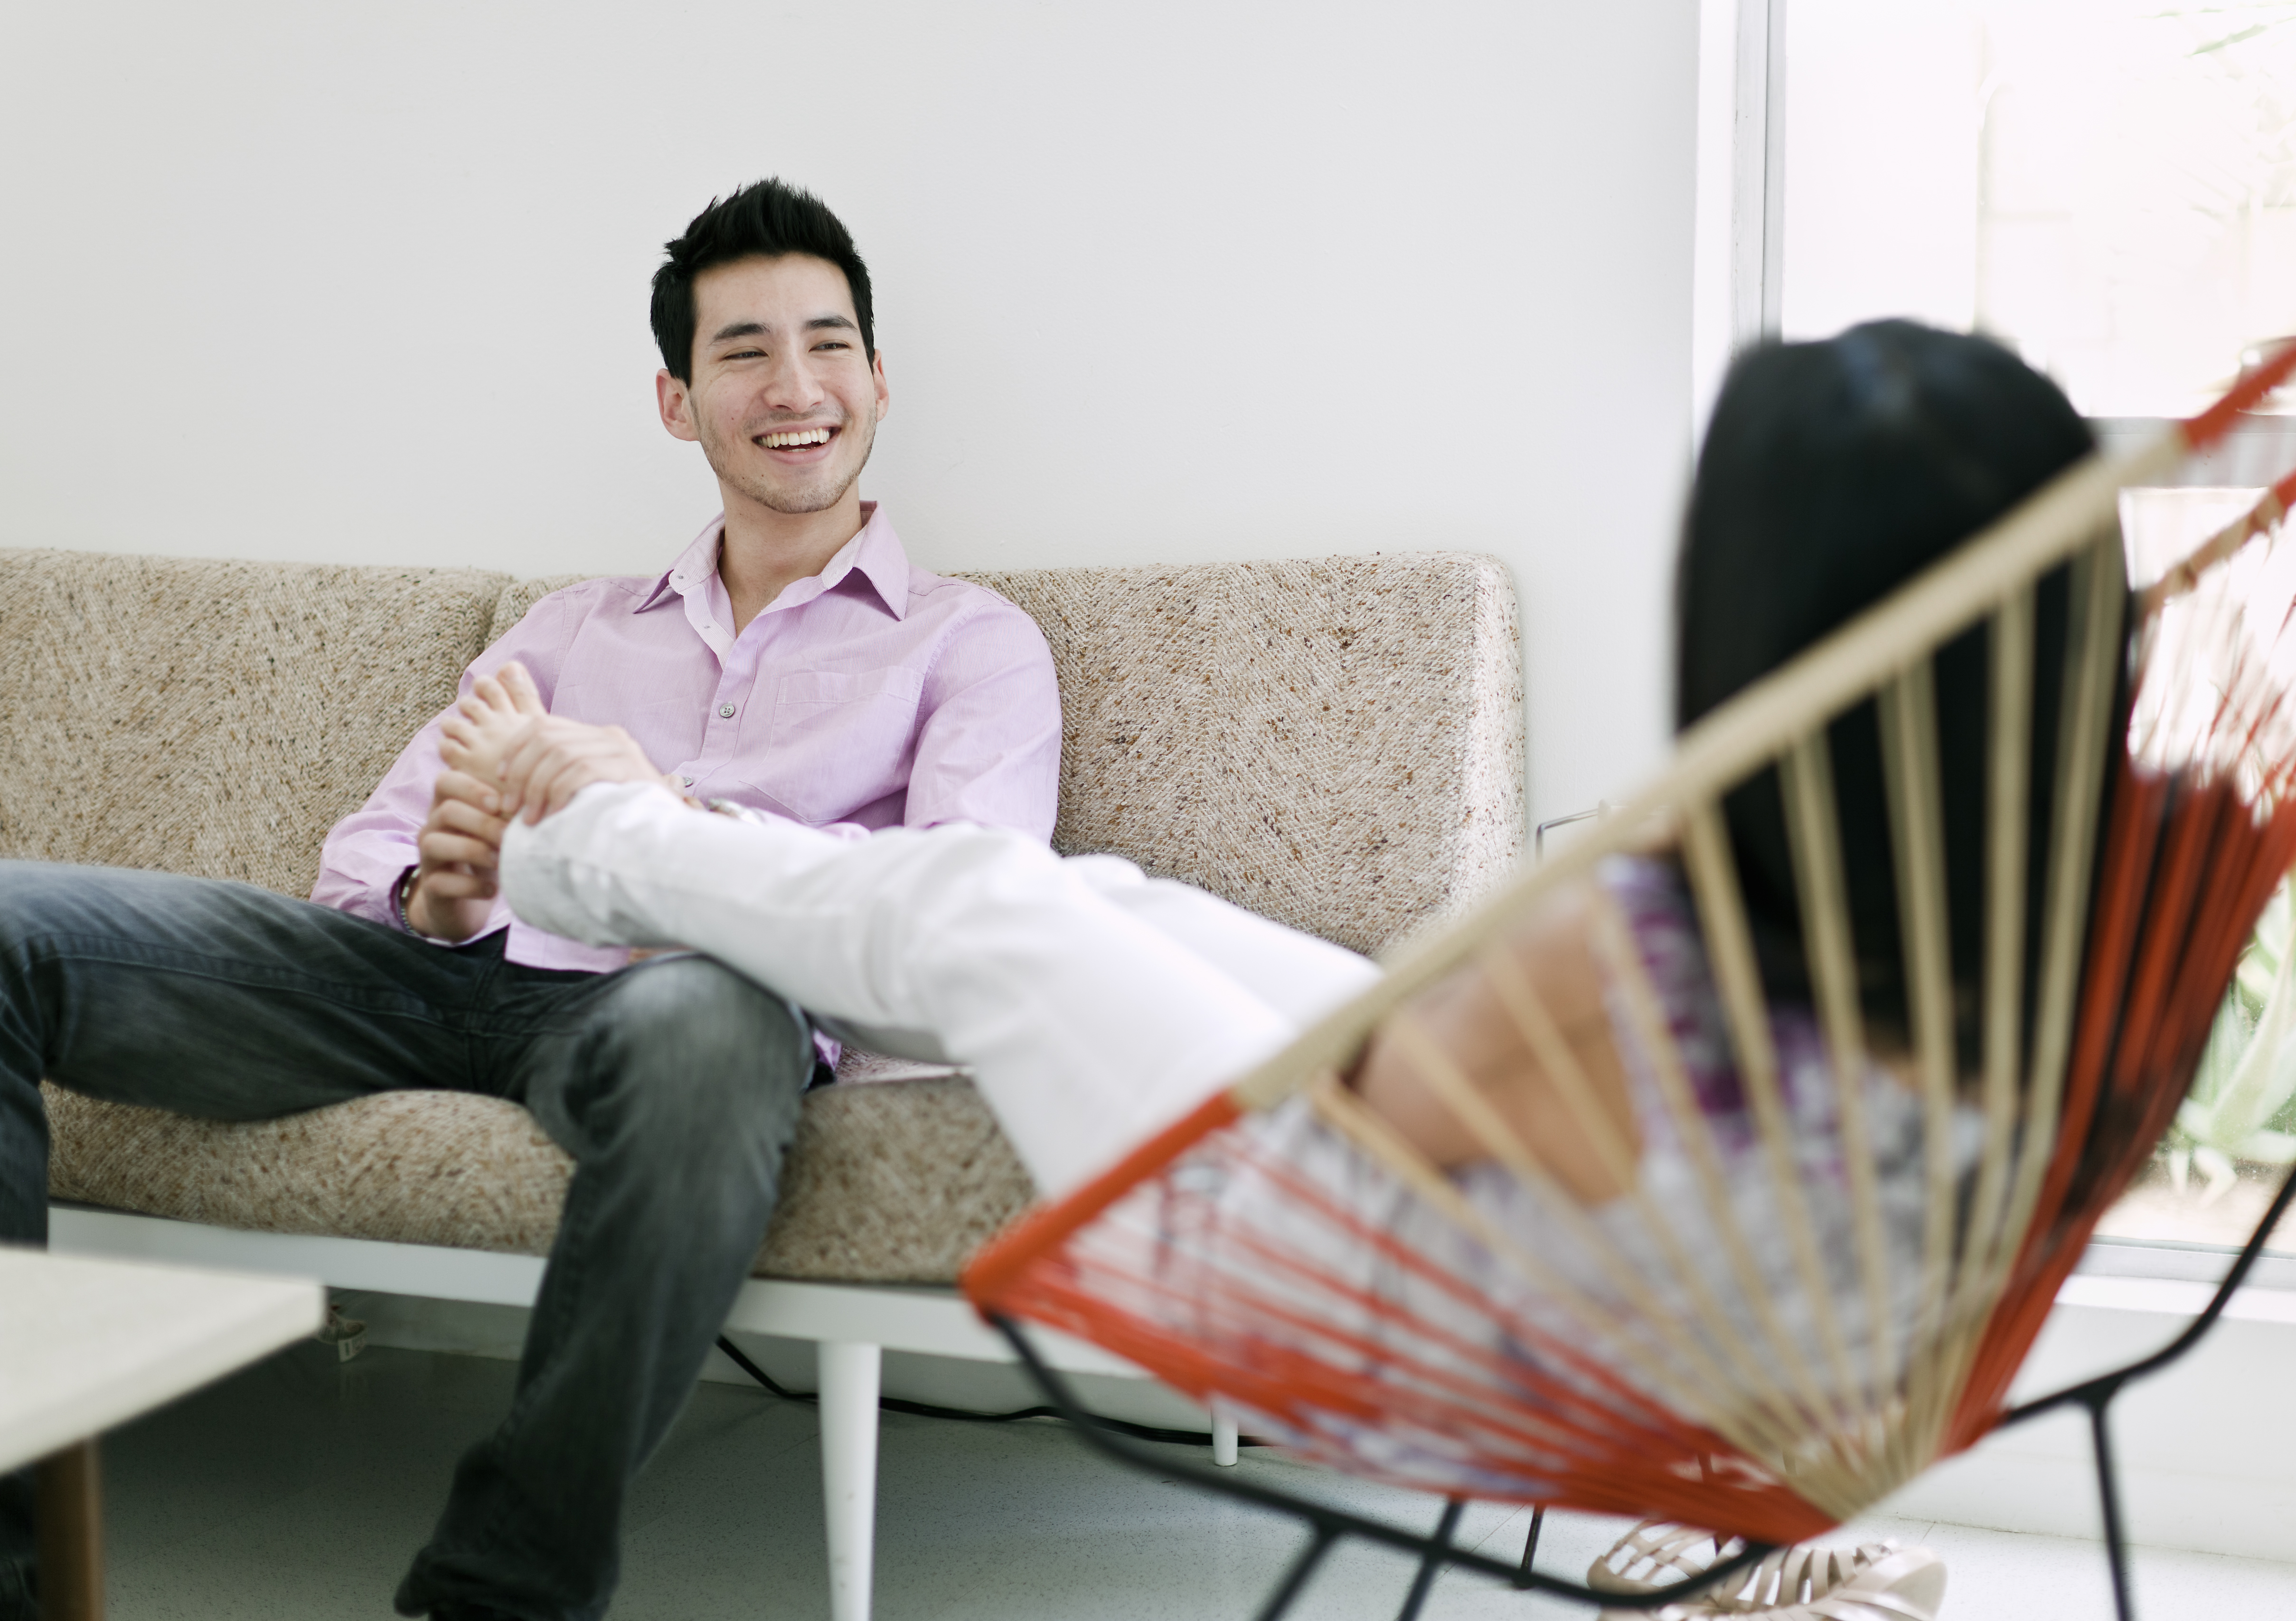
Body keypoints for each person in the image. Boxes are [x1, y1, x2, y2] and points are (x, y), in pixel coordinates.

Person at [418, 320, 2098, 1620]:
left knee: (999, 921)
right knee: (1093, 898)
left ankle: (592, 836)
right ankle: (618, 840)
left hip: (1427, 1285)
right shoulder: (1981, 879)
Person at [0, 178, 1061, 1621]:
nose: (793, 385)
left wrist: (670, 823)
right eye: (741, 350)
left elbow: (958, 921)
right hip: (442, 981)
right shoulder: (569, 625)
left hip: (685, 999)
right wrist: (438, 893)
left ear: (878, 378)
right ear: (679, 402)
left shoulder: (971, 645)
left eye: (827, 343)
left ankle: (502, 1589)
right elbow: (365, 863)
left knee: (708, 1021)